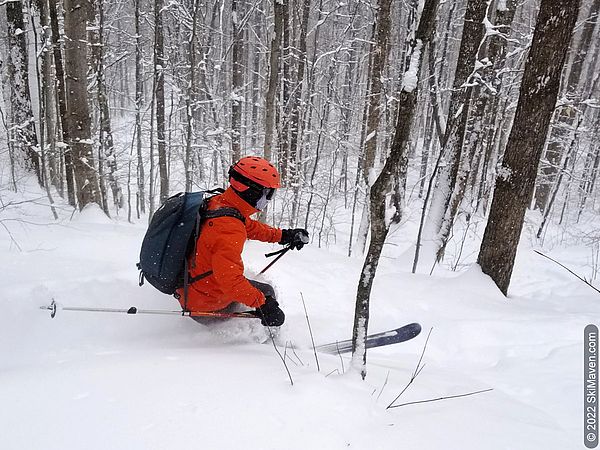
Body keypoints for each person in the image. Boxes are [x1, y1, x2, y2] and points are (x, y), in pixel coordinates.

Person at [175, 156, 309, 327]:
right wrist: (263, 304)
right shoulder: (228, 229)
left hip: (193, 286)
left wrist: (284, 236)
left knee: (257, 292)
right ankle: (265, 345)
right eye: (266, 193)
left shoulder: (219, 204)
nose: (267, 200)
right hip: (206, 304)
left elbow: (250, 227)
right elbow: (230, 281)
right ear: (251, 191)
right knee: (266, 293)